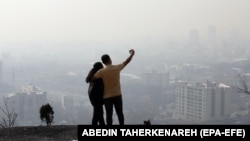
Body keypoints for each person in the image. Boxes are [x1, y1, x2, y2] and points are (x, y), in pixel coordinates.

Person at [92, 49, 135, 125]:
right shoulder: (116, 68)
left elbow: (92, 78)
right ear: (109, 59)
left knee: (109, 115)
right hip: (117, 94)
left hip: (107, 97)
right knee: (120, 113)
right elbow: (126, 61)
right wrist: (132, 54)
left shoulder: (101, 72)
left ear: (103, 62)